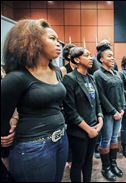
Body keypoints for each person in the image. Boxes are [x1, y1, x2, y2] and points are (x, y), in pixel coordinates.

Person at [1, 19, 68, 181]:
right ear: (32, 42)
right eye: (52, 38)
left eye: (58, 39)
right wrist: (4, 143)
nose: (58, 43)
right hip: (33, 147)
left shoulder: (57, 72)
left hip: (61, 139)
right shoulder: (16, 78)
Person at [62, 47, 103, 182]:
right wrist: (88, 129)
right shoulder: (70, 79)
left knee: (89, 161)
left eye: (91, 55)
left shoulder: (91, 78)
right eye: (87, 55)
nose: (91, 58)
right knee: (78, 163)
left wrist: (100, 120)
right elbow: (70, 111)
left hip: (94, 128)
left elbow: (97, 102)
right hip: (79, 131)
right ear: (77, 59)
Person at [93, 44, 125, 181]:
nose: (112, 58)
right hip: (107, 114)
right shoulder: (98, 74)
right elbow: (101, 96)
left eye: (113, 56)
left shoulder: (116, 73)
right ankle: (105, 168)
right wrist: (113, 112)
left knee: (114, 139)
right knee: (106, 139)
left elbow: (121, 91)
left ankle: (113, 164)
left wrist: (122, 108)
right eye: (109, 56)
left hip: (119, 112)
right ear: (101, 59)